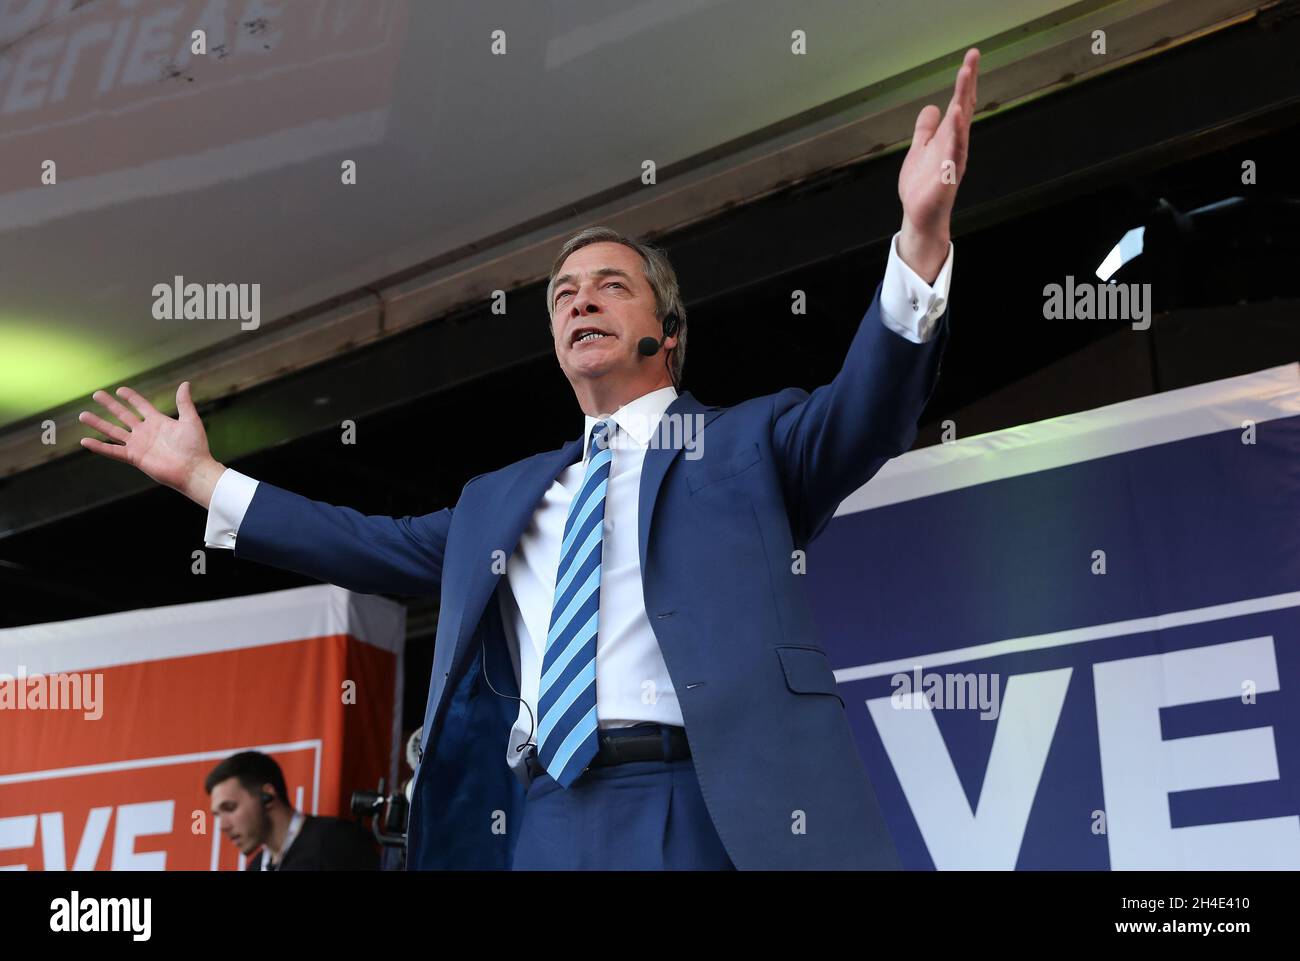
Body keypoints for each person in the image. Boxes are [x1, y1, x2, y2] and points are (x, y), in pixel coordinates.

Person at [82, 49, 979, 869]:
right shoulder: (501, 500)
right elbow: (358, 540)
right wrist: (201, 476)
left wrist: (920, 240)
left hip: (693, 802)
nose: (579, 301)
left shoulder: (744, 446)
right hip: (541, 816)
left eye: (609, 287)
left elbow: (867, 410)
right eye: (562, 295)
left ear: (666, 333)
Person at [204, 751, 379, 871]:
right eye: (217, 815)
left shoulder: (335, 839)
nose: (222, 826)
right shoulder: (256, 867)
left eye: (230, 808)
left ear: (267, 795)